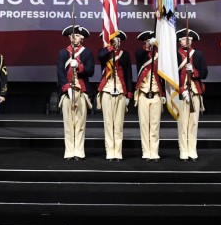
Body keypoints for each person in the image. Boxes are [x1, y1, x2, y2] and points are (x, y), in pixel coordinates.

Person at [57, 24, 95, 161]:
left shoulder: (87, 52)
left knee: (80, 123)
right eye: (72, 35)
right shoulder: (63, 53)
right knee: (68, 124)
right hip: (67, 92)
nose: (74, 37)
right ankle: (69, 151)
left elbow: (91, 71)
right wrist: (67, 88)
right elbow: (60, 73)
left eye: (77, 35)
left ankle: (79, 151)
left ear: (82, 38)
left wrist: (79, 66)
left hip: (82, 91)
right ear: (69, 37)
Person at [96, 31, 133, 162]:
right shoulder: (104, 52)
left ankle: (118, 151)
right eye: (113, 39)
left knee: (118, 124)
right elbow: (100, 56)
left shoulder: (125, 54)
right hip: (107, 90)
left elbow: (128, 74)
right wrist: (110, 47)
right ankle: (110, 151)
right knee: (108, 123)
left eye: (118, 39)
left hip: (121, 91)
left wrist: (129, 93)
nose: (116, 41)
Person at [175, 28, 208, 162]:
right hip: (181, 93)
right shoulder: (175, 55)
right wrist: (181, 89)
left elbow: (204, 73)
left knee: (193, 123)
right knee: (183, 123)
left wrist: (193, 71)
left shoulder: (198, 54)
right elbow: (172, 75)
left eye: (189, 39)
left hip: (195, 92)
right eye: (184, 39)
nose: (187, 41)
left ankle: (192, 150)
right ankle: (183, 151)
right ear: (179, 41)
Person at [134, 30, 164, 162]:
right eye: (147, 41)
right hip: (143, 93)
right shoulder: (141, 53)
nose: (150, 43)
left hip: (156, 93)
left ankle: (154, 151)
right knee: (144, 124)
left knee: (155, 124)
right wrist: (147, 47)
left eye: (151, 41)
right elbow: (139, 56)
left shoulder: (160, 56)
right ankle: (146, 152)